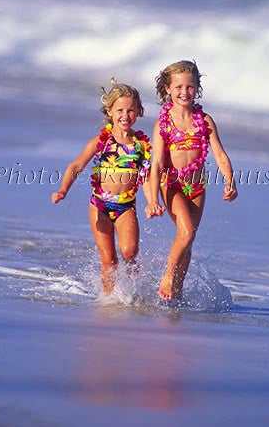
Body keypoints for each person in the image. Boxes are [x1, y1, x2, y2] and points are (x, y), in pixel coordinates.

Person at [145, 60, 237, 302]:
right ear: (167, 89)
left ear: (197, 88)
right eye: (178, 87)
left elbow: (218, 152)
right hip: (172, 185)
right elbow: (155, 164)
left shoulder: (205, 121)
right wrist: (152, 199)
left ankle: (177, 290)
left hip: (197, 187)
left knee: (188, 239)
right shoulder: (163, 124)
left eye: (190, 87)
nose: (184, 92)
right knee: (185, 233)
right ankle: (167, 276)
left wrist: (230, 180)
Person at [52, 79, 151, 295]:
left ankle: (134, 293)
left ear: (139, 111)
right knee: (109, 259)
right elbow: (77, 165)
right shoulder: (101, 141)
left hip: (125, 205)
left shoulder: (141, 146)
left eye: (131, 110)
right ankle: (109, 299)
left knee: (130, 252)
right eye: (120, 110)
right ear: (110, 111)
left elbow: (148, 177)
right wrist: (63, 189)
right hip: (99, 204)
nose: (126, 115)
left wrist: (153, 202)